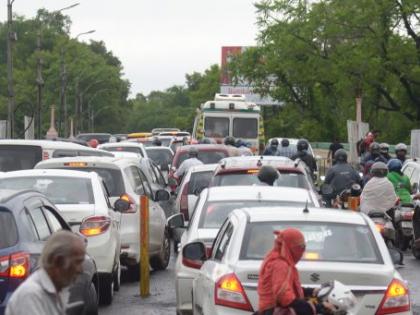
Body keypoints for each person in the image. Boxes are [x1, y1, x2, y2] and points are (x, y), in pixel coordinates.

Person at [256, 229, 335, 315]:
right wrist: (319, 307)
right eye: (301, 247)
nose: (302, 250)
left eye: (304, 246)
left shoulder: (281, 259)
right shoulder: (280, 265)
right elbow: (285, 297)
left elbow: (289, 289)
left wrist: (311, 291)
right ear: (290, 247)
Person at [5, 230, 86, 315]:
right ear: (58, 261)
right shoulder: (31, 295)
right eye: (77, 262)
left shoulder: (56, 291)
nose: (80, 270)